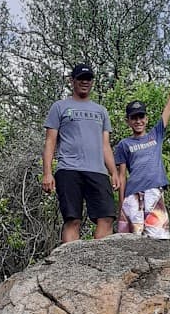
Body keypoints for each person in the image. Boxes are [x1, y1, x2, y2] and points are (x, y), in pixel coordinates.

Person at [43, 63, 120, 243]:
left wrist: (114, 172)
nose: (85, 82)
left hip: (97, 170)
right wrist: (47, 172)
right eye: (81, 79)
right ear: (72, 81)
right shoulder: (60, 107)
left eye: (88, 79)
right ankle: (70, 259)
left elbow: (105, 145)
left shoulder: (101, 111)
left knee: (107, 217)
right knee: (73, 219)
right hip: (69, 169)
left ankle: (100, 257)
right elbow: (50, 141)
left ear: (92, 82)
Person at [114, 62, 170, 239]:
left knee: (158, 236)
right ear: (128, 121)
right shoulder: (124, 144)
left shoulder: (156, 134)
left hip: (154, 191)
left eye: (141, 116)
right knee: (132, 239)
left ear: (146, 119)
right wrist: (121, 204)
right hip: (132, 195)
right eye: (134, 118)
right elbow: (122, 176)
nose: (138, 121)